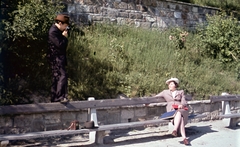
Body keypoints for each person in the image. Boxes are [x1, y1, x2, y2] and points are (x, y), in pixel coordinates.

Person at [154, 78, 189, 145]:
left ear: (175, 85)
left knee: (179, 112)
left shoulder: (181, 92)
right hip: (171, 111)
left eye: (171, 84)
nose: (169, 85)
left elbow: (184, 101)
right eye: (169, 84)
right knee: (180, 116)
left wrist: (181, 105)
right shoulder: (165, 92)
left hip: (181, 109)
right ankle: (184, 138)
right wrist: (148, 102)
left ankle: (175, 130)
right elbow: (155, 97)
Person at [47, 14, 70, 103]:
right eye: (65, 26)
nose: (66, 28)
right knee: (62, 75)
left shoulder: (57, 31)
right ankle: (59, 97)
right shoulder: (53, 32)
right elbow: (60, 45)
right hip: (55, 58)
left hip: (58, 58)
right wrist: (64, 37)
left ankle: (55, 98)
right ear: (60, 23)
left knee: (57, 77)